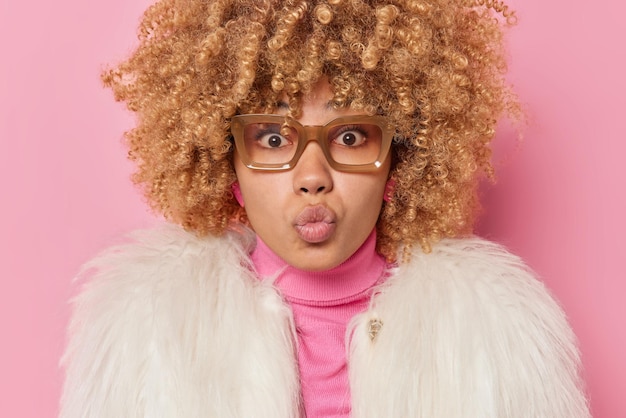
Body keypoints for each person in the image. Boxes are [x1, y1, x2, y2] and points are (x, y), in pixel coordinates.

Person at [60, 0, 590, 416]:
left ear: (396, 165)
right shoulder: (149, 330)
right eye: (271, 138)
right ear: (230, 170)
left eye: (352, 135)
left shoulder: (492, 333)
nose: (312, 176)